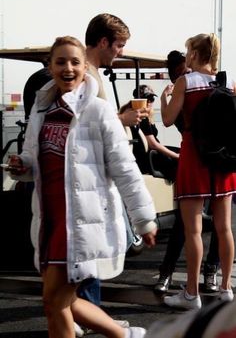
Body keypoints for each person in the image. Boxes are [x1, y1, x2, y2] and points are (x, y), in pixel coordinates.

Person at [8, 36, 158, 338]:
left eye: (75, 62)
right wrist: (22, 166)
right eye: (60, 61)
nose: (68, 68)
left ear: (85, 67)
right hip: (48, 223)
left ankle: (123, 335)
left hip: (80, 225)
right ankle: (124, 335)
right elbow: (33, 161)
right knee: (57, 304)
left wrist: (143, 219)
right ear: (50, 67)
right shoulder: (41, 111)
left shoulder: (99, 111)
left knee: (55, 301)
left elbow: (125, 168)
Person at [160, 33, 236, 310]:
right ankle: (226, 287)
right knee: (224, 227)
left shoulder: (185, 82)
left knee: (193, 230)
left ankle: (191, 293)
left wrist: (163, 99)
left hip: (194, 156)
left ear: (193, 54)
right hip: (223, 159)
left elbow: (168, 120)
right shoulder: (228, 82)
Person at [154, 50, 220, 294]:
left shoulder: (205, 87)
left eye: (188, 69)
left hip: (214, 159)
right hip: (197, 159)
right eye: (181, 72)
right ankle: (167, 272)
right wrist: (165, 100)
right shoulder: (182, 91)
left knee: (220, 224)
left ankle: (211, 273)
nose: (187, 74)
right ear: (173, 75)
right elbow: (171, 120)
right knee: (185, 224)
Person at [120, 84, 179, 181]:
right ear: (138, 100)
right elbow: (153, 144)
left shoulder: (146, 116)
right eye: (146, 99)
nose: (149, 102)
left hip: (152, 154)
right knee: (181, 159)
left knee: (182, 153)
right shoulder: (140, 117)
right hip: (149, 156)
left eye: (152, 99)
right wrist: (176, 156)